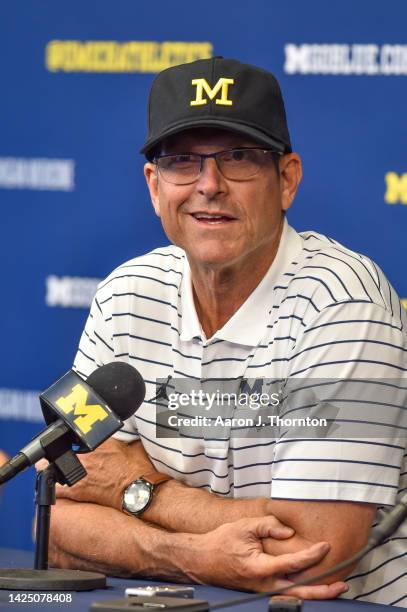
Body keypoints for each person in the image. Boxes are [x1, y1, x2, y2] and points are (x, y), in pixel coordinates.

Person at [46, 58, 407, 605]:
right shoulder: (126, 296)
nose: (208, 186)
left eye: (238, 158)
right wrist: (187, 554)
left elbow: (316, 555)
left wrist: (135, 490)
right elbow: (56, 525)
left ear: (286, 180)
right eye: (183, 162)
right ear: (154, 185)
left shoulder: (341, 304)